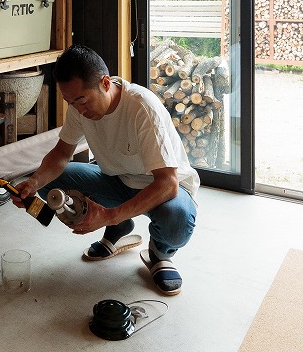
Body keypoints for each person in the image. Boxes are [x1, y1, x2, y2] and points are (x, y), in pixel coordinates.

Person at [12, 45, 198, 293]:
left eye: (82, 101)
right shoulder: (79, 107)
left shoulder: (142, 108)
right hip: (117, 181)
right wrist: (33, 183)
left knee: (177, 222)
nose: (79, 110)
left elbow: (167, 183)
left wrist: (108, 215)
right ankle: (120, 228)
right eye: (71, 102)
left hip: (164, 191)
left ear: (105, 83)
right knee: (49, 183)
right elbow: (61, 154)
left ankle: (160, 253)